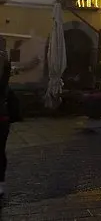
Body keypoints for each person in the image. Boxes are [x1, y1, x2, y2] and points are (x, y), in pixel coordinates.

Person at [0, 53, 39, 198]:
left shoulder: (4, 73)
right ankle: (0, 184)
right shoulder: (6, 71)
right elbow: (18, 68)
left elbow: (17, 68)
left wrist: (32, 63)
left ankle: (0, 183)